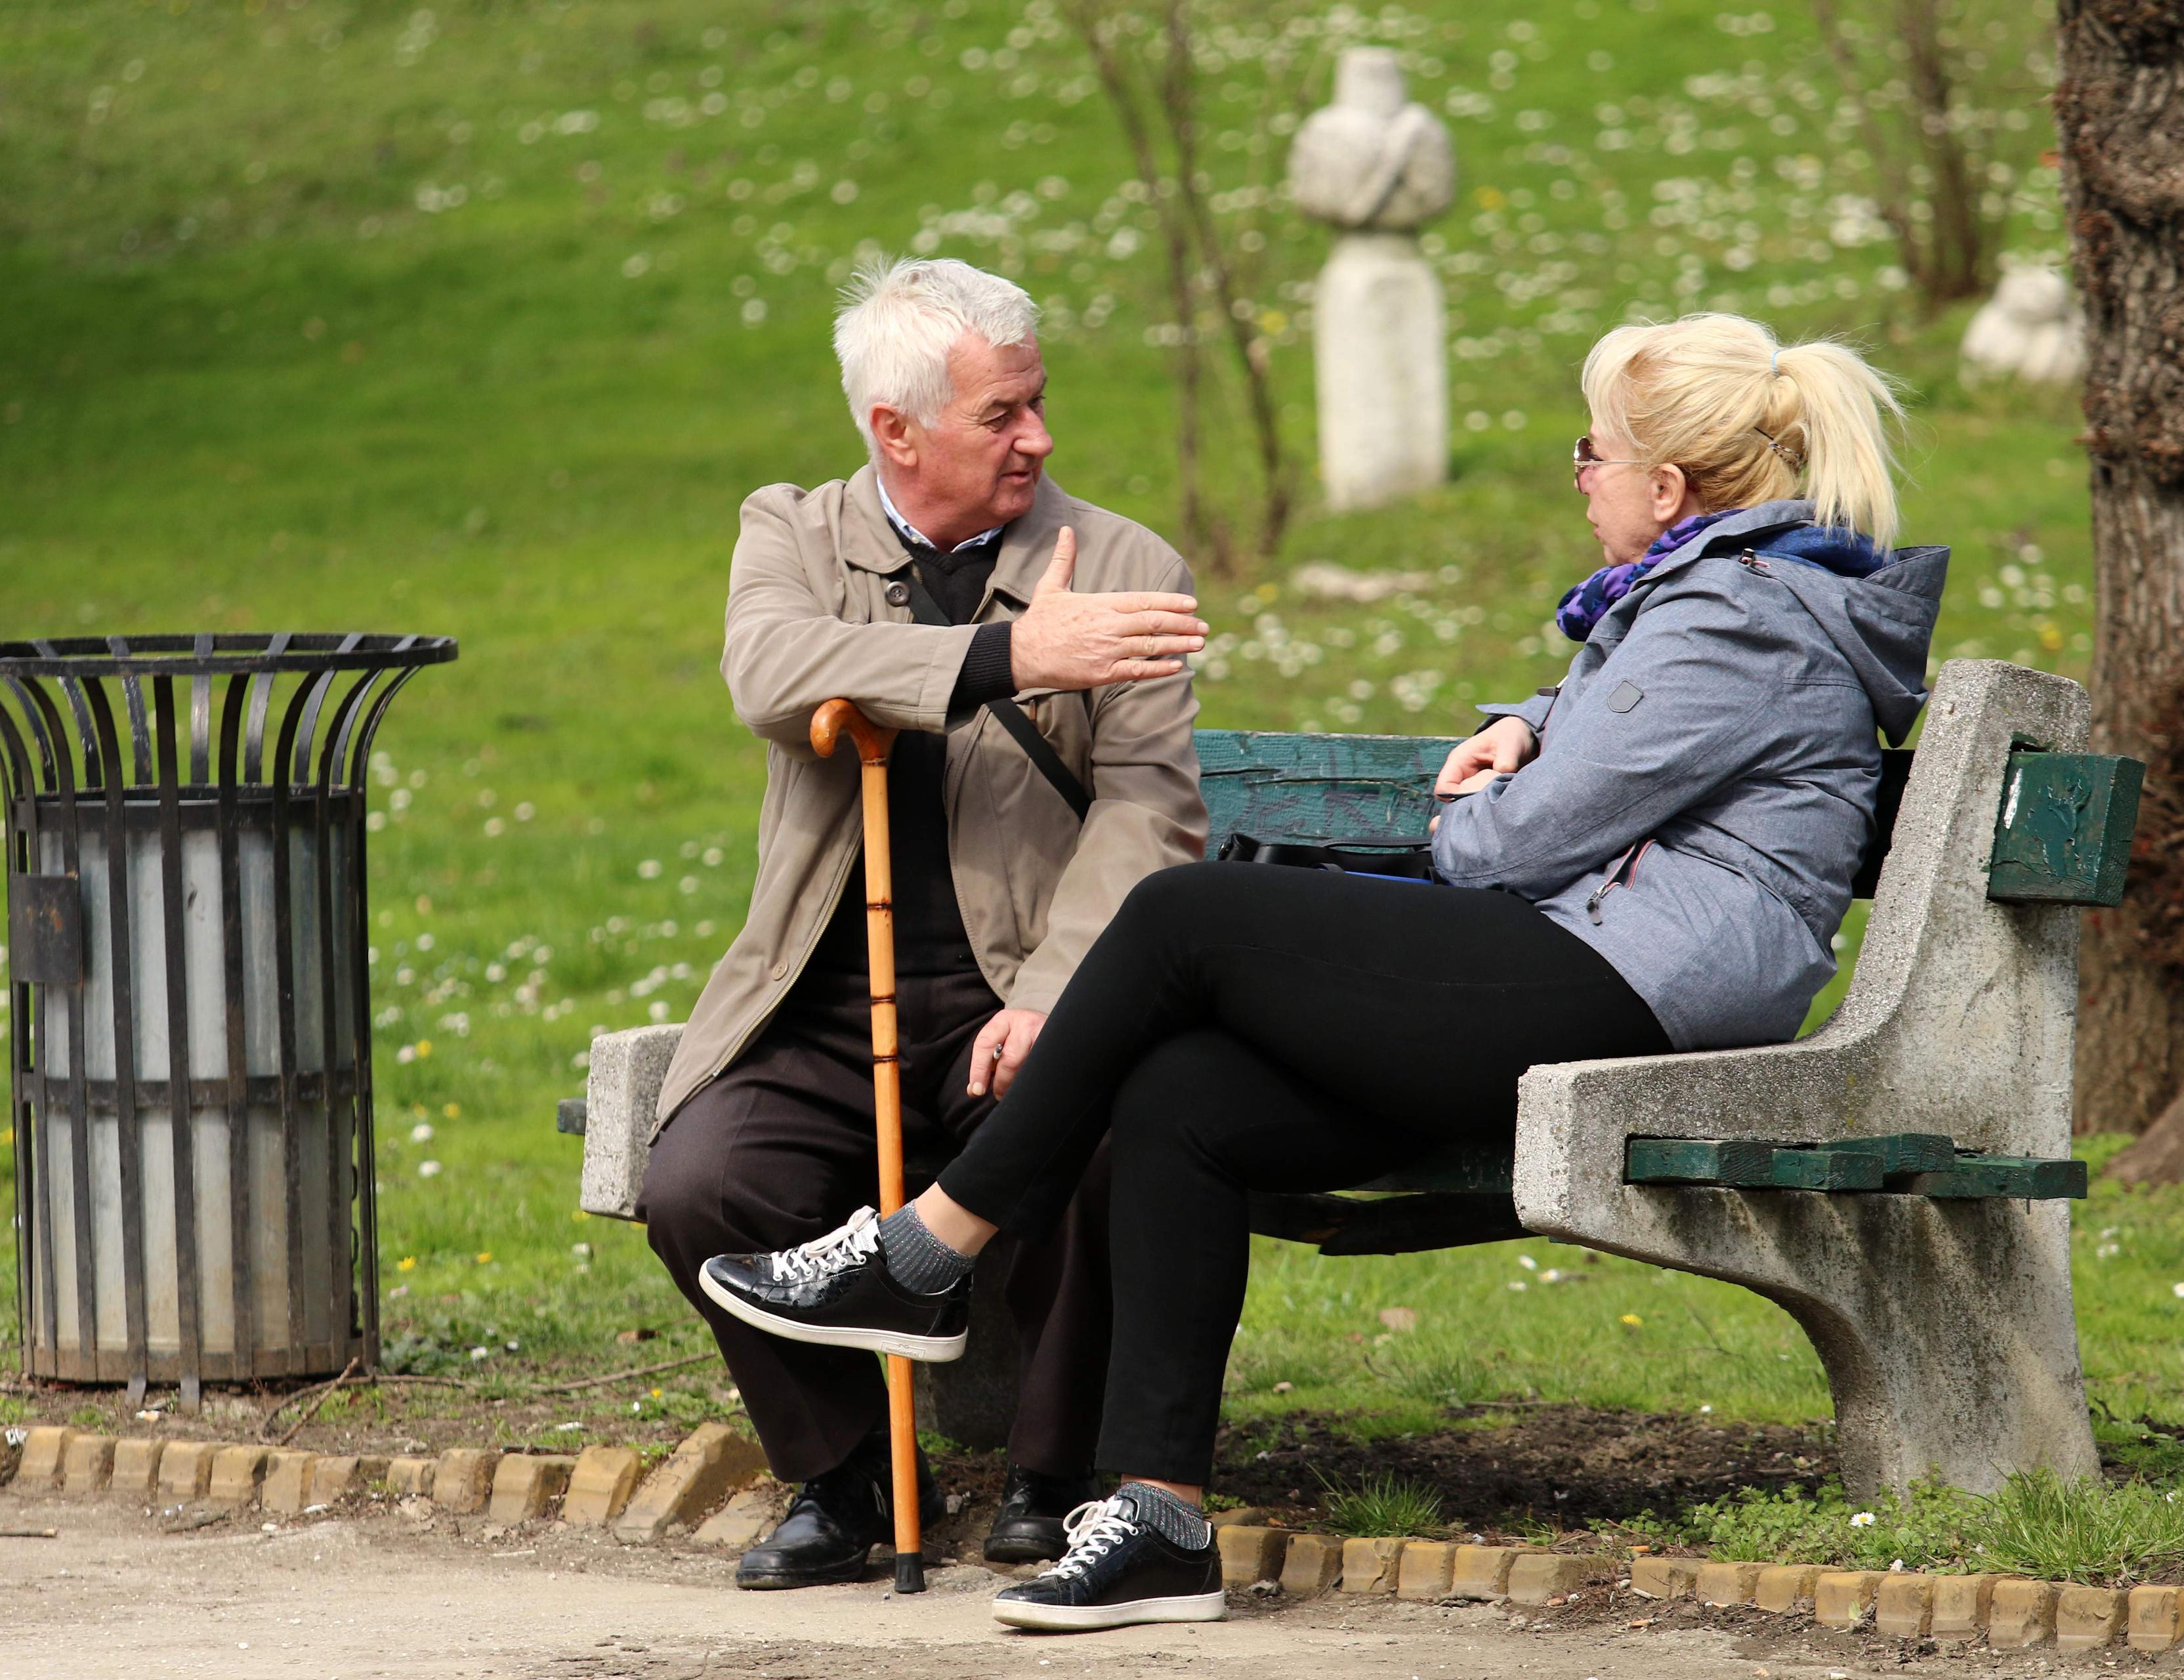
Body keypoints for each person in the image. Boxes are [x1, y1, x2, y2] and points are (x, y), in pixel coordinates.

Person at [696, 312, 1948, 1629]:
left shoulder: (1736, 616)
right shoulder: (1706, 597)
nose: (1579, 471)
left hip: (1633, 981)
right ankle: (1163, 1519)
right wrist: (1525, 721)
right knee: (1182, 1090)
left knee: (1186, 917)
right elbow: (1597, 736)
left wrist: (1487, 790)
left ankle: (930, 1246)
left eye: (1596, 450)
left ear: (1669, 488)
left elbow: (1507, 842)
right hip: (1594, 953)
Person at [642, 255, 1212, 1590]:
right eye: (1002, 414)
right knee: (696, 1185)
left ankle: (1050, 1474)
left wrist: (1059, 994)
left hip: (1023, 986)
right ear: (895, 430)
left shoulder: (1125, 563)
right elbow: (771, 672)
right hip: (824, 998)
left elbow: (1148, 812)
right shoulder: (791, 530)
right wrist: (1012, 656)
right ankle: (843, 1480)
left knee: (1109, 1137)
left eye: (1037, 403)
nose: (1040, 437)